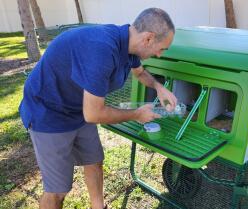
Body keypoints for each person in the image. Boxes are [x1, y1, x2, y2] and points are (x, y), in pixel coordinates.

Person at [19, 8, 177, 209]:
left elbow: (140, 73)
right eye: (161, 49)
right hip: (48, 111)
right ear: (148, 38)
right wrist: (137, 114)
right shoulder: (101, 50)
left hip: (78, 109)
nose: (159, 55)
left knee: (94, 161)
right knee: (57, 190)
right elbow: (94, 113)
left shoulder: (128, 46)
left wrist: (159, 87)